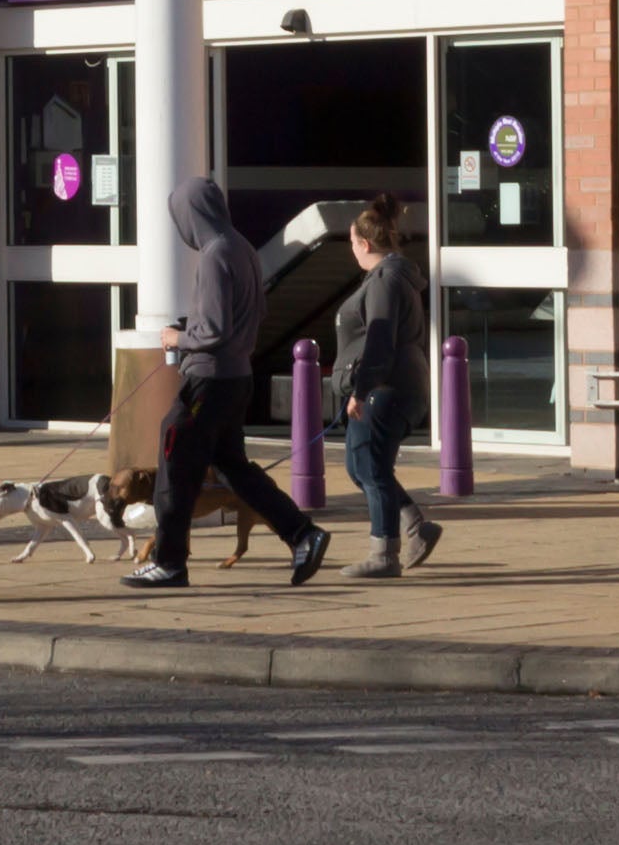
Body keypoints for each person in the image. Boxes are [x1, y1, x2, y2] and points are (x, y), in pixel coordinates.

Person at [125, 176, 330, 591]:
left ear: (190, 216)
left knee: (175, 463)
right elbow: (249, 314)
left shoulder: (215, 255)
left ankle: (169, 562)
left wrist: (177, 338)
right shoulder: (243, 248)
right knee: (234, 469)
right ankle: (302, 533)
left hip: (207, 380)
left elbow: (214, 329)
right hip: (237, 377)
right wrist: (196, 328)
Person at [329, 199, 443, 576]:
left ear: (364, 243)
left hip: (385, 388)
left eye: (351, 243)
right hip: (396, 384)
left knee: (371, 467)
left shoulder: (384, 280)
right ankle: (415, 524)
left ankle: (384, 553)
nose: (351, 250)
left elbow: (380, 340)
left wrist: (361, 391)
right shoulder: (392, 276)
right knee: (359, 466)